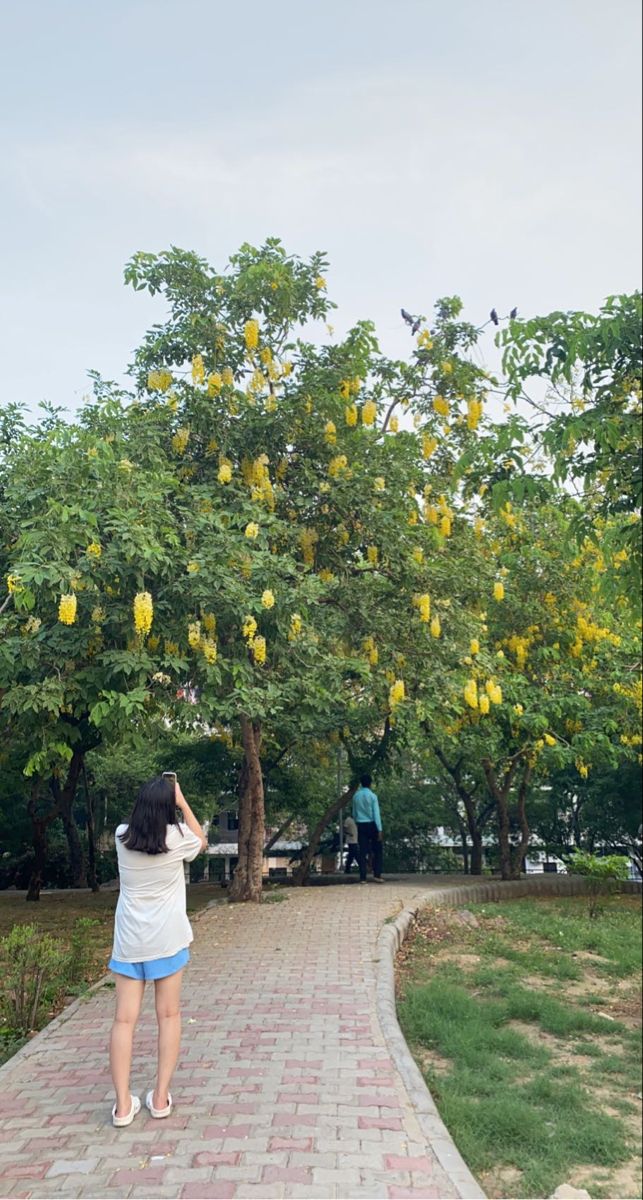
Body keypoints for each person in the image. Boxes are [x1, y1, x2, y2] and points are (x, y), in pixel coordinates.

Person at [108, 774, 207, 1127]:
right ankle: (161, 1098)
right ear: (168, 807)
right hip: (167, 939)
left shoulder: (121, 837)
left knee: (123, 1020)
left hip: (130, 941)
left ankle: (122, 1107)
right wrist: (181, 801)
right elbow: (202, 840)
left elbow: (136, 830)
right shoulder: (178, 838)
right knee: (169, 1016)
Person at [352, 773, 384, 883]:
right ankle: (377, 874)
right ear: (370, 783)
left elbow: (354, 812)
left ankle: (363, 877)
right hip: (372, 824)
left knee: (362, 851)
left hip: (361, 824)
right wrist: (379, 829)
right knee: (377, 850)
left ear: (361, 783)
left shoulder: (356, 796)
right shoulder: (373, 796)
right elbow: (376, 813)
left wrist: (357, 822)